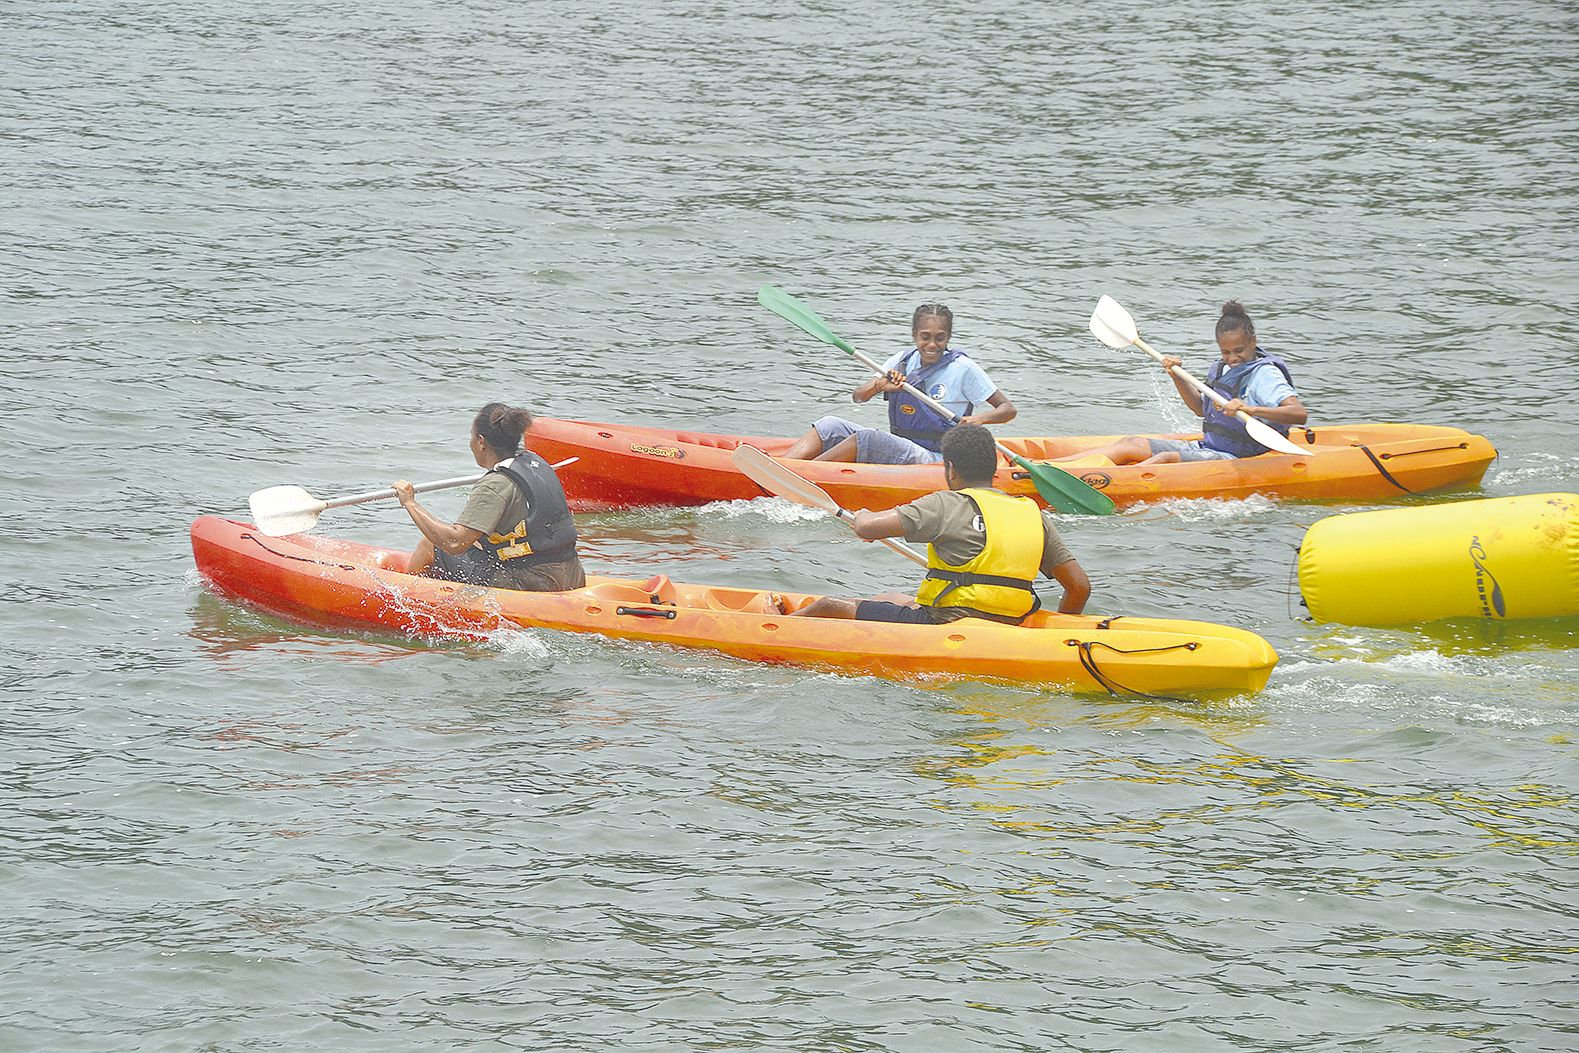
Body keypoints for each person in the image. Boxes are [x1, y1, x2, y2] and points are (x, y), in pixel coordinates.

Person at [789, 424, 1090, 622]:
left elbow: (867, 528)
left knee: (830, 607)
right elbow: (1079, 587)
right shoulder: (1031, 513)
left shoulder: (944, 504)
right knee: (889, 599)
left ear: (950, 469)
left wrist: (864, 514)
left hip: (948, 622)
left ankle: (771, 630)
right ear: (994, 467)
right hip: (1011, 622)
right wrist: (1060, 632)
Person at [1071, 300, 1308, 465]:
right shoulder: (1222, 368)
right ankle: (1050, 467)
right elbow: (1199, 409)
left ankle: (1106, 483)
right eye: (1226, 351)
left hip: (1240, 457)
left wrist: (1249, 409)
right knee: (1131, 443)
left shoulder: (1265, 375)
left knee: (1165, 459)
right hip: (1210, 447)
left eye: (1239, 350)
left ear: (1253, 341)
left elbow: (1298, 414)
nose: (1233, 358)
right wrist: (1177, 376)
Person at [780, 302, 1017, 465]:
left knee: (869, 439)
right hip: (903, 445)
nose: (932, 344)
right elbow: (858, 397)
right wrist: (879, 386)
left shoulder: (963, 368)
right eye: (925, 337)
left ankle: (801, 477)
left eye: (939, 338)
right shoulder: (902, 360)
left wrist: (979, 419)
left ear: (948, 337)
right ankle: (783, 467)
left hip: (936, 458)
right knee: (829, 424)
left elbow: (1007, 410)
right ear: (915, 334)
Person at [395, 403, 587, 592]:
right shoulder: (534, 463)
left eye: (471, 436)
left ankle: (408, 601)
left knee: (430, 545)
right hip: (572, 575)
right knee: (478, 541)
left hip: (532, 582)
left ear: (481, 441)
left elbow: (455, 543)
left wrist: (410, 503)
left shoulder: (495, 484)